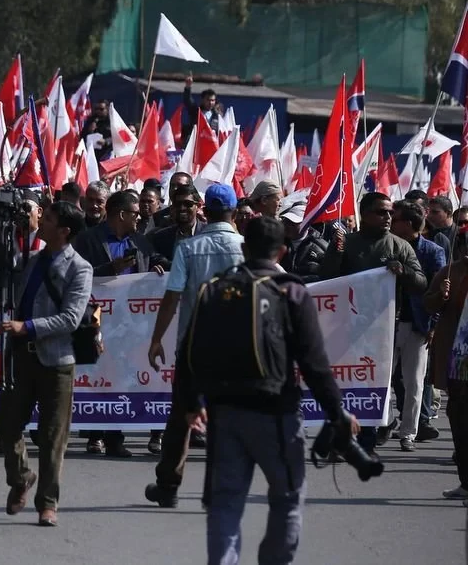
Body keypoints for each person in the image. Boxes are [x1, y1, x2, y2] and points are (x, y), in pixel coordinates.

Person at [177, 216, 357, 564]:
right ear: (283, 250)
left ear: (243, 248)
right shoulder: (291, 290)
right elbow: (314, 363)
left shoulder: (216, 288)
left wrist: (190, 402)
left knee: (225, 503)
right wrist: (336, 412)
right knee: (287, 497)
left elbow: (188, 352)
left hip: (224, 413)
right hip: (277, 413)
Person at [144, 184, 245, 508]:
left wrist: (157, 338)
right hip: (236, 350)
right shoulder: (247, 248)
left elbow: (173, 295)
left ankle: (169, 486)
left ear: (205, 210)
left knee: (181, 420)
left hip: (194, 348)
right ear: (232, 210)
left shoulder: (189, 248)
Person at [0, 201, 93, 528]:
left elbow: (71, 318)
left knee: (52, 437)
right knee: (7, 424)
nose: (41, 222)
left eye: (47, 219)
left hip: (56, 362)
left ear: (64, 231)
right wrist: (7, 233)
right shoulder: (33, 260)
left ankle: (47, 503)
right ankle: (21, 476)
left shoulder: (79, 268)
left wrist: (30, 327)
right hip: (21, 357)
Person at [320, 192, 426, 453]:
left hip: (382, 330)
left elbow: (421, 284)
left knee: (372, 386)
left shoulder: (399, 246)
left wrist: (404, 272)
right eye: (381, 212)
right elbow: (326, 279)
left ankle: (366, 441)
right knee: (344, 386)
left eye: (390, 212)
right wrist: (336, 252)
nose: (388, 217)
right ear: (364, 214)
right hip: (346, 328)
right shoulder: (348, 242)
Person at [73, 189, 166, 457]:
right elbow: (77, 274)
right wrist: (108, 270)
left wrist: (159, 266)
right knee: (97, 376)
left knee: (120, 378)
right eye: (135, 214)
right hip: (96, 320)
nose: (139, 218)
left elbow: (153, 259)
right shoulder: (87, 240)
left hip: (129, 323)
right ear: (121, 214)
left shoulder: (139, 241)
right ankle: (94, 435)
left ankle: (115, 438)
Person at [384, 200, 444, 451]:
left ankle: (408, 433)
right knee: (381, 379)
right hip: (385, 324)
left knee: (414, 382)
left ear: (407, 224)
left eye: (394, 218)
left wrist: (434, 325)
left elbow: (440, 292)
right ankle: (384, 423)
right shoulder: (385, 246)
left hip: (417, 325)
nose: (389, 221)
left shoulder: (431, 252)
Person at [424, 227, 468, 502]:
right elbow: (429, 304)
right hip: (458, 361)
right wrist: (441, 294)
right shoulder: (451, 272)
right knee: (460, 420)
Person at [151, 184, 201, 265]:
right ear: (172, 207)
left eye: (188, 204)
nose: (182, 208)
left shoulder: (210, 234)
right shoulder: (160, 238)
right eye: (178, 204)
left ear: (198, 206)